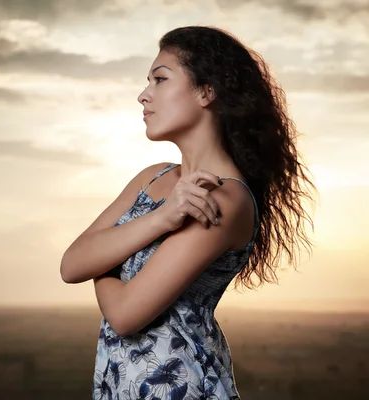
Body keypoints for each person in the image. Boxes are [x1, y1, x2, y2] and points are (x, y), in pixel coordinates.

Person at [59, 26, 316, 399]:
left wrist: (105, 257)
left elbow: (126, 315)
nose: (143, 95)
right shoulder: (153, 177)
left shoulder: (224, 199)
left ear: (206, 91)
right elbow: (70, 266)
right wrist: (161, 218)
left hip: (179, 385)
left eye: (160, 79)